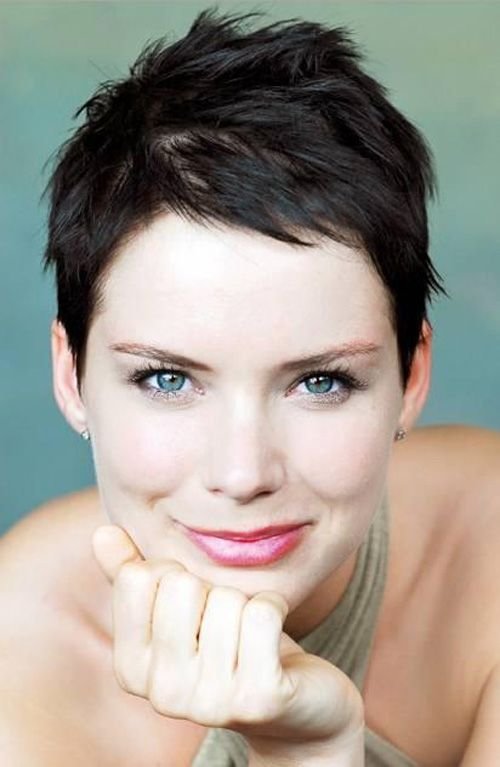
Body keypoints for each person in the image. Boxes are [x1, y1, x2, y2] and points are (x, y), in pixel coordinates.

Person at [1, 8, 499, 766]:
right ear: (71, 376)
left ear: (411, 376)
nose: (242, 474)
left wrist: (312, 752)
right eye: (167, 378)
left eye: (320, 381)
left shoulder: (485, 554)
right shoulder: (19, 672)